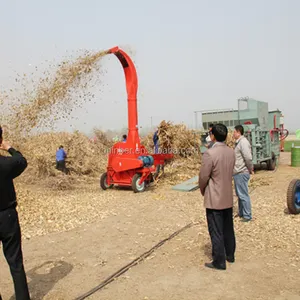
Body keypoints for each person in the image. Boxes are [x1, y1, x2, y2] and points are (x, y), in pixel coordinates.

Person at [199, 123, 236, 270]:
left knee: (216, 230)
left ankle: (219, 261)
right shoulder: (231, 152)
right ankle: (230, 255)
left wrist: (203, 190)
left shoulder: (210, 153)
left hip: (214, 197)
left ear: (213, 136)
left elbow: (203, 176)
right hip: (227, 195)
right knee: (228, 228)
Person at [0, 126, 31, 299]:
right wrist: (9, 147)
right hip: (7, 216)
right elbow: (22, 160)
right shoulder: (7, 164)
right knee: (15, 262)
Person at [233, 125, 254, 222]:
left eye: (234, 132)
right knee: (239, 194)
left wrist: (250, 168)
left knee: (243, 194)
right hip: (238, 172)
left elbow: (248, 158)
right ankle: (241, 212)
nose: (233, 134)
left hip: (242, 171)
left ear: (238, 132)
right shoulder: (238, 143)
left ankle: (247, 215)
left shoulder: (243, 143)